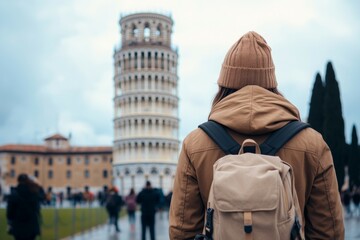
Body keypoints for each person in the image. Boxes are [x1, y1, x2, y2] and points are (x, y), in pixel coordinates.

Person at [169, 31, 345, 239]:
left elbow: (182, 232)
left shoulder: (195, 144)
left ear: (223, 85)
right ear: (272, 84)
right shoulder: (312, 144)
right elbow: (329, 233)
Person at [6, 173, 42, 240]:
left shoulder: (14, 193)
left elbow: (9, 213)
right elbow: (37, 207)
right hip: (32, 226)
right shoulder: (34, 191)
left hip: (18, 226)